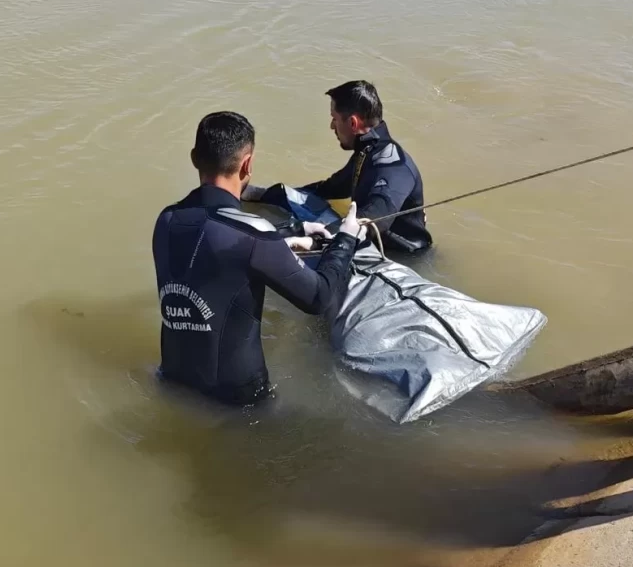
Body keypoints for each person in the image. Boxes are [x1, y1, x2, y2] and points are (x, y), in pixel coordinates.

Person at [152, 111, 363, 407]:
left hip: (172, 384)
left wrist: (291, 233)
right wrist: (347, 238)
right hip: (240, 402)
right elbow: (319, 297)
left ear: (194, 158)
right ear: (247, 164)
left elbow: (214, 248)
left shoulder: (166, 220)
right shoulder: (254, 235)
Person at [249, 81, 432, 256]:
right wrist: (262, 195)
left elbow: (371, 221)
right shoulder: (368, 152)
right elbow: (330, 188)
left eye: (334, 119)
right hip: (374, 245)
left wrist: (315, 241)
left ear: (353, 123)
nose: (331, 126)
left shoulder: (394, 168)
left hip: (405, 258)